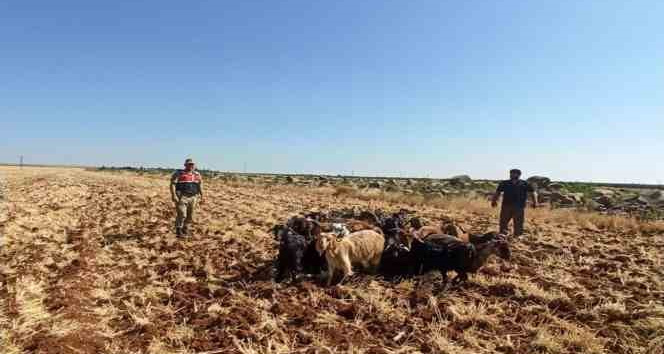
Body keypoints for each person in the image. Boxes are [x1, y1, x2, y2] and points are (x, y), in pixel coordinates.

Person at [491, 169, 537, 236]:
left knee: (518, 223)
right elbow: (497, 192)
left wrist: (535, 202)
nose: (511, 175)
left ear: (518, 175)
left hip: (519, 207)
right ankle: (502, 236)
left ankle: (517, 237)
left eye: (514, 173)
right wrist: (494, 201)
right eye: (511, 173)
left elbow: (533, 193)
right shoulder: (504, 183)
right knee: (503, 222)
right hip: (506, 206)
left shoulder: (524, 183)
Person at [170, 158, 204, 237]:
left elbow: (200, 185)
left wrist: (202, 195)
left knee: (190, 215)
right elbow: (172, 184)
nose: (191, 166)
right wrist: (173, 195)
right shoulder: (179, 173)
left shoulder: (197, 174)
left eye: (192, 164)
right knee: (182, 214)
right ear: (185, 165)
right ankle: (178, 230)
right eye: (189, 164)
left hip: (193, 197)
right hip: (182, 196)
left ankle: (185, 229)